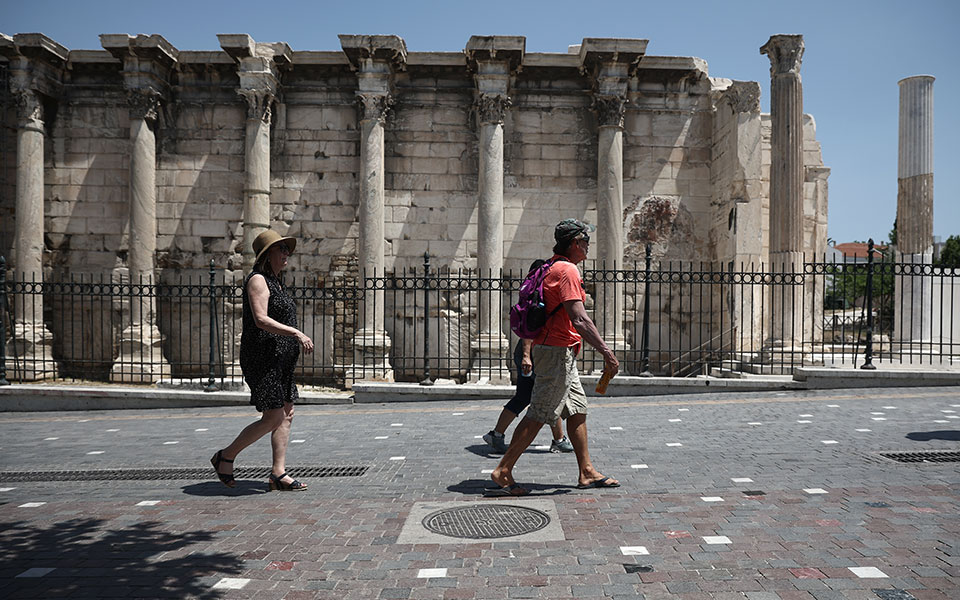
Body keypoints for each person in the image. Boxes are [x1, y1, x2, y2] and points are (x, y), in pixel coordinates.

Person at [491, 219, 620, 496]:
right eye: (585, 242)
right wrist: (607, 353)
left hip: (560, 350)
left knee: (577, 408)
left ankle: (586, 471)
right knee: (540, 412)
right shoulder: (567, 271)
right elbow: (580, 318)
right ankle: (503, 470)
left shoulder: (551, 266)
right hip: (556, 351)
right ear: (574, 243)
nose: (588, 247)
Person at [210, 229, 315, 491]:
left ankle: (278, 474)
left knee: (287, 413)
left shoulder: (278, 282)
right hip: (263, 357)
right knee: (272, 416)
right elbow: (261, 319)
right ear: (267, 255)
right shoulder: (258, 280)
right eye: (281, 249)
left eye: (287, 249)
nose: (286, 254)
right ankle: (226, 455)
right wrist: (296, 333)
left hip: (282, 358)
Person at [483, 261, 573, 455]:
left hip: (536, 352)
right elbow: (529, 331)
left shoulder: (540, 292)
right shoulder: (537, 295)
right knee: (545, 394)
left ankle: (497, 435)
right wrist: (526, 356)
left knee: (538, 395)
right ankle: (557, 439)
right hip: (531, 353)